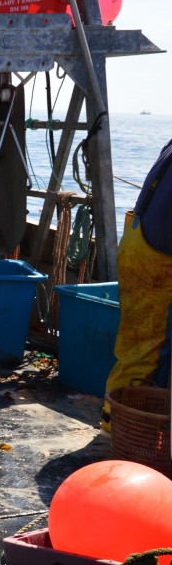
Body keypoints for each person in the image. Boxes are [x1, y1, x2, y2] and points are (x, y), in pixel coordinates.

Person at [103, 137, 172, 429]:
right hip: (157, 260)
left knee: (135, 345)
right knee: (152, 349)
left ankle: (112, 420)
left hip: (137, 242)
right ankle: (129, 427)